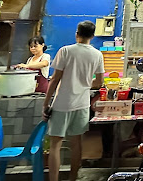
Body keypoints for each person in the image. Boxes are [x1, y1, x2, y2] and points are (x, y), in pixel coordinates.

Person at [43, 21, 104, 181]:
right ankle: (72, 178)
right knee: (76, 143)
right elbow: (99, 82)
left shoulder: (65, 51)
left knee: (56, 145)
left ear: (77, 33)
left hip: (62, 104)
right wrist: (84, 84)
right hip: (82, 104)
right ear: (92, 35)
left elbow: (55, 79)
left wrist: (46, 103)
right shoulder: (97, 54)